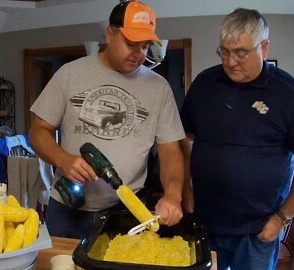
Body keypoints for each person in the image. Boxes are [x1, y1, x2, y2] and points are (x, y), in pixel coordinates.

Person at [180, 8, 294, 270]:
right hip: (204, 221)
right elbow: (186, 139)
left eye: (241, 53)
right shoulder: (204, 84)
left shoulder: (290, 95)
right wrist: (186, 189)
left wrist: (282, 219)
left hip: (256, 232)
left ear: (264, 48)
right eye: (224, 52)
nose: (230, 61)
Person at [29, 0, 185, 239]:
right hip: (68, 207)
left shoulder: (159, 88)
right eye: (131, 44)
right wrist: (63, 159)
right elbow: (39, 131)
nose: (139, 54)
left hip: (127, 211)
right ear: (109, 34)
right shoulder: (69, 74)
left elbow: (170, 150)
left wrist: (173, 194)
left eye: (145, 46)